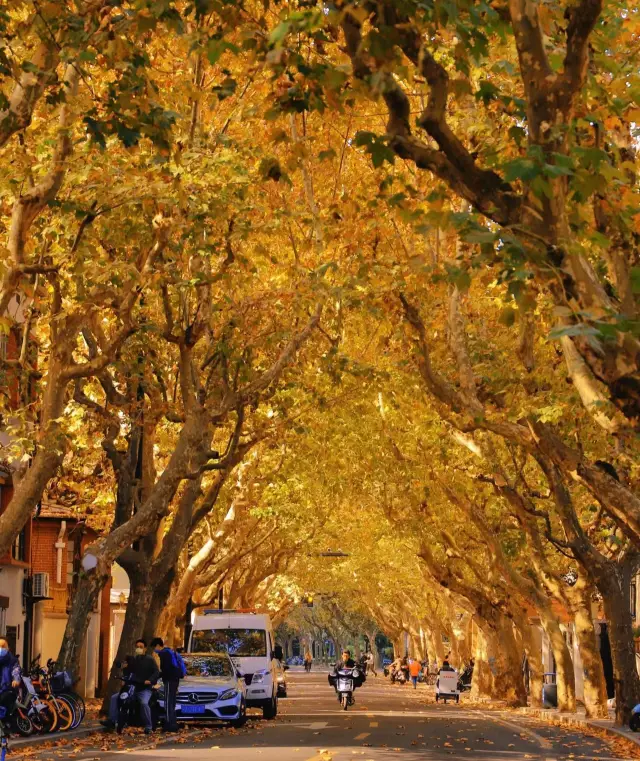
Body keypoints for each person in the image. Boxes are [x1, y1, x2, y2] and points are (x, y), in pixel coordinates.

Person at [102, 639, 160, 734]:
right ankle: (112, 721)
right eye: (137, 647)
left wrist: (149, 680)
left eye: (141, 647)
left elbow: (156, 672)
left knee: (144, 703)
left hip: (144, 689)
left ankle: (148, 726)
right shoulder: (133, 660)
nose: (139, 649)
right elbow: (127, 670)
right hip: (132, 688)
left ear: (145, 648)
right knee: (114, 698)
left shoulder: (150, 659)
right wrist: (123, 674)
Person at [151, 637, 183, 733]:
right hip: (175, 679)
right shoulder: (169, 651)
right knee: (172, 702)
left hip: (169, 680)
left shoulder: (164, 654)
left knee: (168, 702)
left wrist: (157, 677)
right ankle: (173, 722)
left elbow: (165, 669)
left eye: (154, 647)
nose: (154, 650)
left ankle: (169, 724)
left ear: (157, 645)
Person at [0, 638, 21, 718]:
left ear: (8, 648)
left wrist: (16, 680)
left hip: (7, 690)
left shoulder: (13, 660)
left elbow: (16, 671)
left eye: (3, 646)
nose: (1, 649)